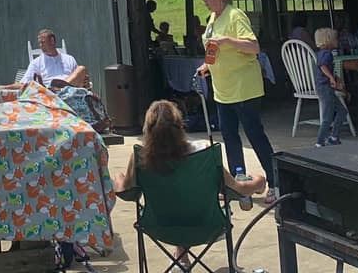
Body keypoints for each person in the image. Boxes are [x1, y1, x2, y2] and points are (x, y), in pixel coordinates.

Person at [113, 100, 266, 270]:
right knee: (188, 201)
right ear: (181, 126)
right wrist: (259, 181)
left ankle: (181, 257)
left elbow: (126, 192)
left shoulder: (140, 158)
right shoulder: (204, 152)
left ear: (147, 130)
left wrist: (118, 178)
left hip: (159, 227)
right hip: (207, 225)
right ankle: (182, 256)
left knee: (176, 202)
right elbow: (237, 189)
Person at [196, 0, 277, 206]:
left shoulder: (235, 15)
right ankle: (237, 182)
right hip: (222, 89)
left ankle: (276, 182)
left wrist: (228, 41)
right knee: (229, 136)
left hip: (244, 88)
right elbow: (213, 48)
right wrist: (206, 65)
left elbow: (253, 47)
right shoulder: (213, 18)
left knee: (254, 134)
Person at [20, 29, 89, 88]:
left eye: (43, 42)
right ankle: (57, 88)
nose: (41, 45)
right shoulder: (36, 63)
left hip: (70, 91)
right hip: (49, 92)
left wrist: (84, 80)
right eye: (39, 43)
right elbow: (24, 83)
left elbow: (79, 79)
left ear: (52, 41)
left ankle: (60, 87)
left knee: (81, 69)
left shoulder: (69, 59)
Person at [313, 28, 345, 148]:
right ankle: (320, 141)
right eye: (335, 39)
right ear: (328, 40)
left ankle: (334, 137)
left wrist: (334, 78)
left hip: (324, 87)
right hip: (325, 87)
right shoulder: (327, 54)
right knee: (328, 116)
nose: (337, 41)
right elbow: (323, 66)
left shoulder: (321, 53)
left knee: (341, 111)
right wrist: (331, 78)